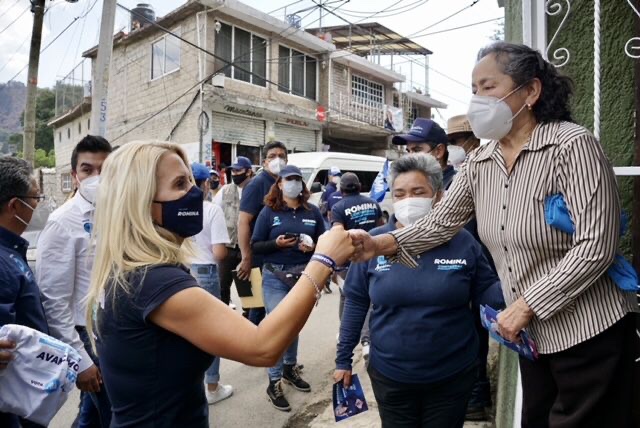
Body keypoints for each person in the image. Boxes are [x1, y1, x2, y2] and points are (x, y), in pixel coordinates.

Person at [350, 42, 638, 428]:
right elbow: (440, 223)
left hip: (588, 329)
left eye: (488, 87)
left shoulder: (571, 146)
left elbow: (595, 245)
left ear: (530, 91)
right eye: (474, 90)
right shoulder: (480, 163)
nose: (477, 100)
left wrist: (526, 305)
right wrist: (379, 244)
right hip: (534, 335)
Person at [85, 141, 354, 427]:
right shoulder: (154, 281)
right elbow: (263, 346)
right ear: (140, 202)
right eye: (179, 184)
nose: (194, 191)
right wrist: (323, 261)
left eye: (190, 180)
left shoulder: (132, 270)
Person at [335, 154, 504, 427]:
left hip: (452, 375)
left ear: (438, 196)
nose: (408, 201)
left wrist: (520, 287)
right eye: (399, 194)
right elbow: (355, 301)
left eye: (418, 192)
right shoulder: (373, 244)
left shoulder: (463, 242)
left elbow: (487, 292)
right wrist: (343, 359)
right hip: (391, 376)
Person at [37, 135, 113, 428]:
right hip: (87, 335)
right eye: (87, 169)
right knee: (111, 414)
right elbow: (53, 300)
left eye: (104, 170)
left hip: (113, 328)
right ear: (74, 175)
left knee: (92, 415)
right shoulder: (62, 222)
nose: (96, 177)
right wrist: (80, 359)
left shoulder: (117, 212)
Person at [251, 165, 326, 412]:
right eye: (288, 179)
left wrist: (312, 248)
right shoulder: (268, 212)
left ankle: (289, 368)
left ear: (302, 185)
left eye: (297, 180)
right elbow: (256, 245)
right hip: (275, 275)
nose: (293, 183)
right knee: (278, 326)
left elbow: (324, 244)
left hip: (303, 276)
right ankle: (273, 382)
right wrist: (277, 243)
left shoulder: (312, 212)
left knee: (294, 324)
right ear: (280, 184)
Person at [446, 114, 492, 421]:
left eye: (456, 141)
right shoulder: (462, 173)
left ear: (472, 140)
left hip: (479, 265)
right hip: (470, 264)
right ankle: (476, 395)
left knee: (474, 334)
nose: (452, 148)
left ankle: (475, 399)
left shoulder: (482, 171)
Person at [0, 157, 50, 428]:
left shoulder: (11, 251)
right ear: (14, 206)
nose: (38, 205)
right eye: (35, 197)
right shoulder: (2, 262)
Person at [190, 162, 234, 405]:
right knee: (211, 331)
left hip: (180, 272)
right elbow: (219, 253)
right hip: (205, 272)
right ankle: (212, 387)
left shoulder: (172, 208)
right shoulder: (211, 210)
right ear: (206, 183)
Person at [237, 141, 289, 324]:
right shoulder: (257, 184)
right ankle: (252, 340)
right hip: (258, 255)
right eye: (272, 156)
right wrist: (246, 258)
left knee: (274, 306)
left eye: (281, 156)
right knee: (257, 306)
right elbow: (243, 222)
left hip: (277, 255)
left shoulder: (284, 183)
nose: (277, 160)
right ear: (264, 161)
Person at [213, 156, 254, 310]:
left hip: (248, 247)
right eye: (233, 171)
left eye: (238, 170)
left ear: (248, 172)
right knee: (222, 284)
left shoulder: (255, 189)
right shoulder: (225, 190)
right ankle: (223, 314)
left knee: (247, 288)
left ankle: (248, 316)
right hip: (229, 246)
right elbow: (215, 213)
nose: (235, 174)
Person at [392, 118, 457, 189]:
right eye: (408, 151)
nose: (410, 157)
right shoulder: (407, 182)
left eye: (417, 150)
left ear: (439, 151)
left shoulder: (455, 185)